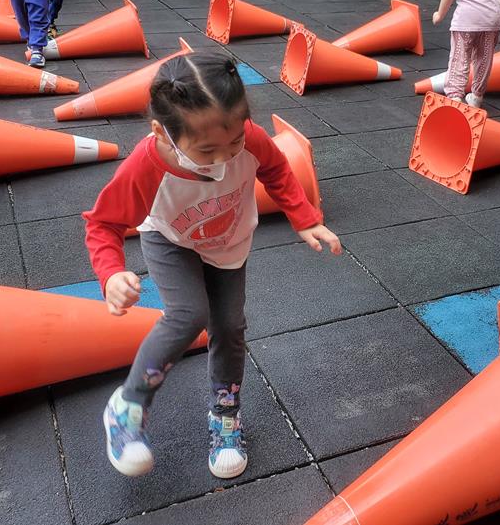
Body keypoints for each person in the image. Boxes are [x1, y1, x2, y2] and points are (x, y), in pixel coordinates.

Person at [83, 53, 341, 479]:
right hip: (170, 239)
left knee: (229, 326)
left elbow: (276, 168)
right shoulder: (146, 165)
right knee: (189, 314)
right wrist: (111, 274)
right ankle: (127, 406)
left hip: (227, 242)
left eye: (234, 142)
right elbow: (103, 223)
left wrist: (305, 218)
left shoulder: (249, 137)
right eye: (206, 150)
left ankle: (225, 415)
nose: (223, 158)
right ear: (162, 133)